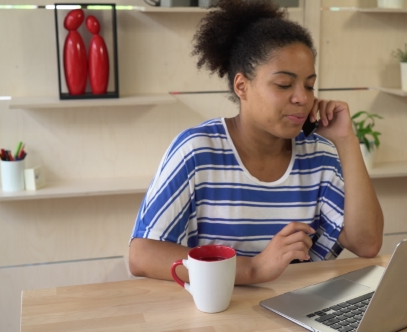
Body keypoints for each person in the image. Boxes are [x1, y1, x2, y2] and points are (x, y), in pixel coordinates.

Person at [129, 0, 383, 285]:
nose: (302, 97)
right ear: (242, 86)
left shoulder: (319, 154)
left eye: (309, 85)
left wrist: (347, 141)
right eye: (284, 84)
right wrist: (254, 269)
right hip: (222, 313)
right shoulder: (197, 150)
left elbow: (367, 244)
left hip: (299, 310)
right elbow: (142, 254)